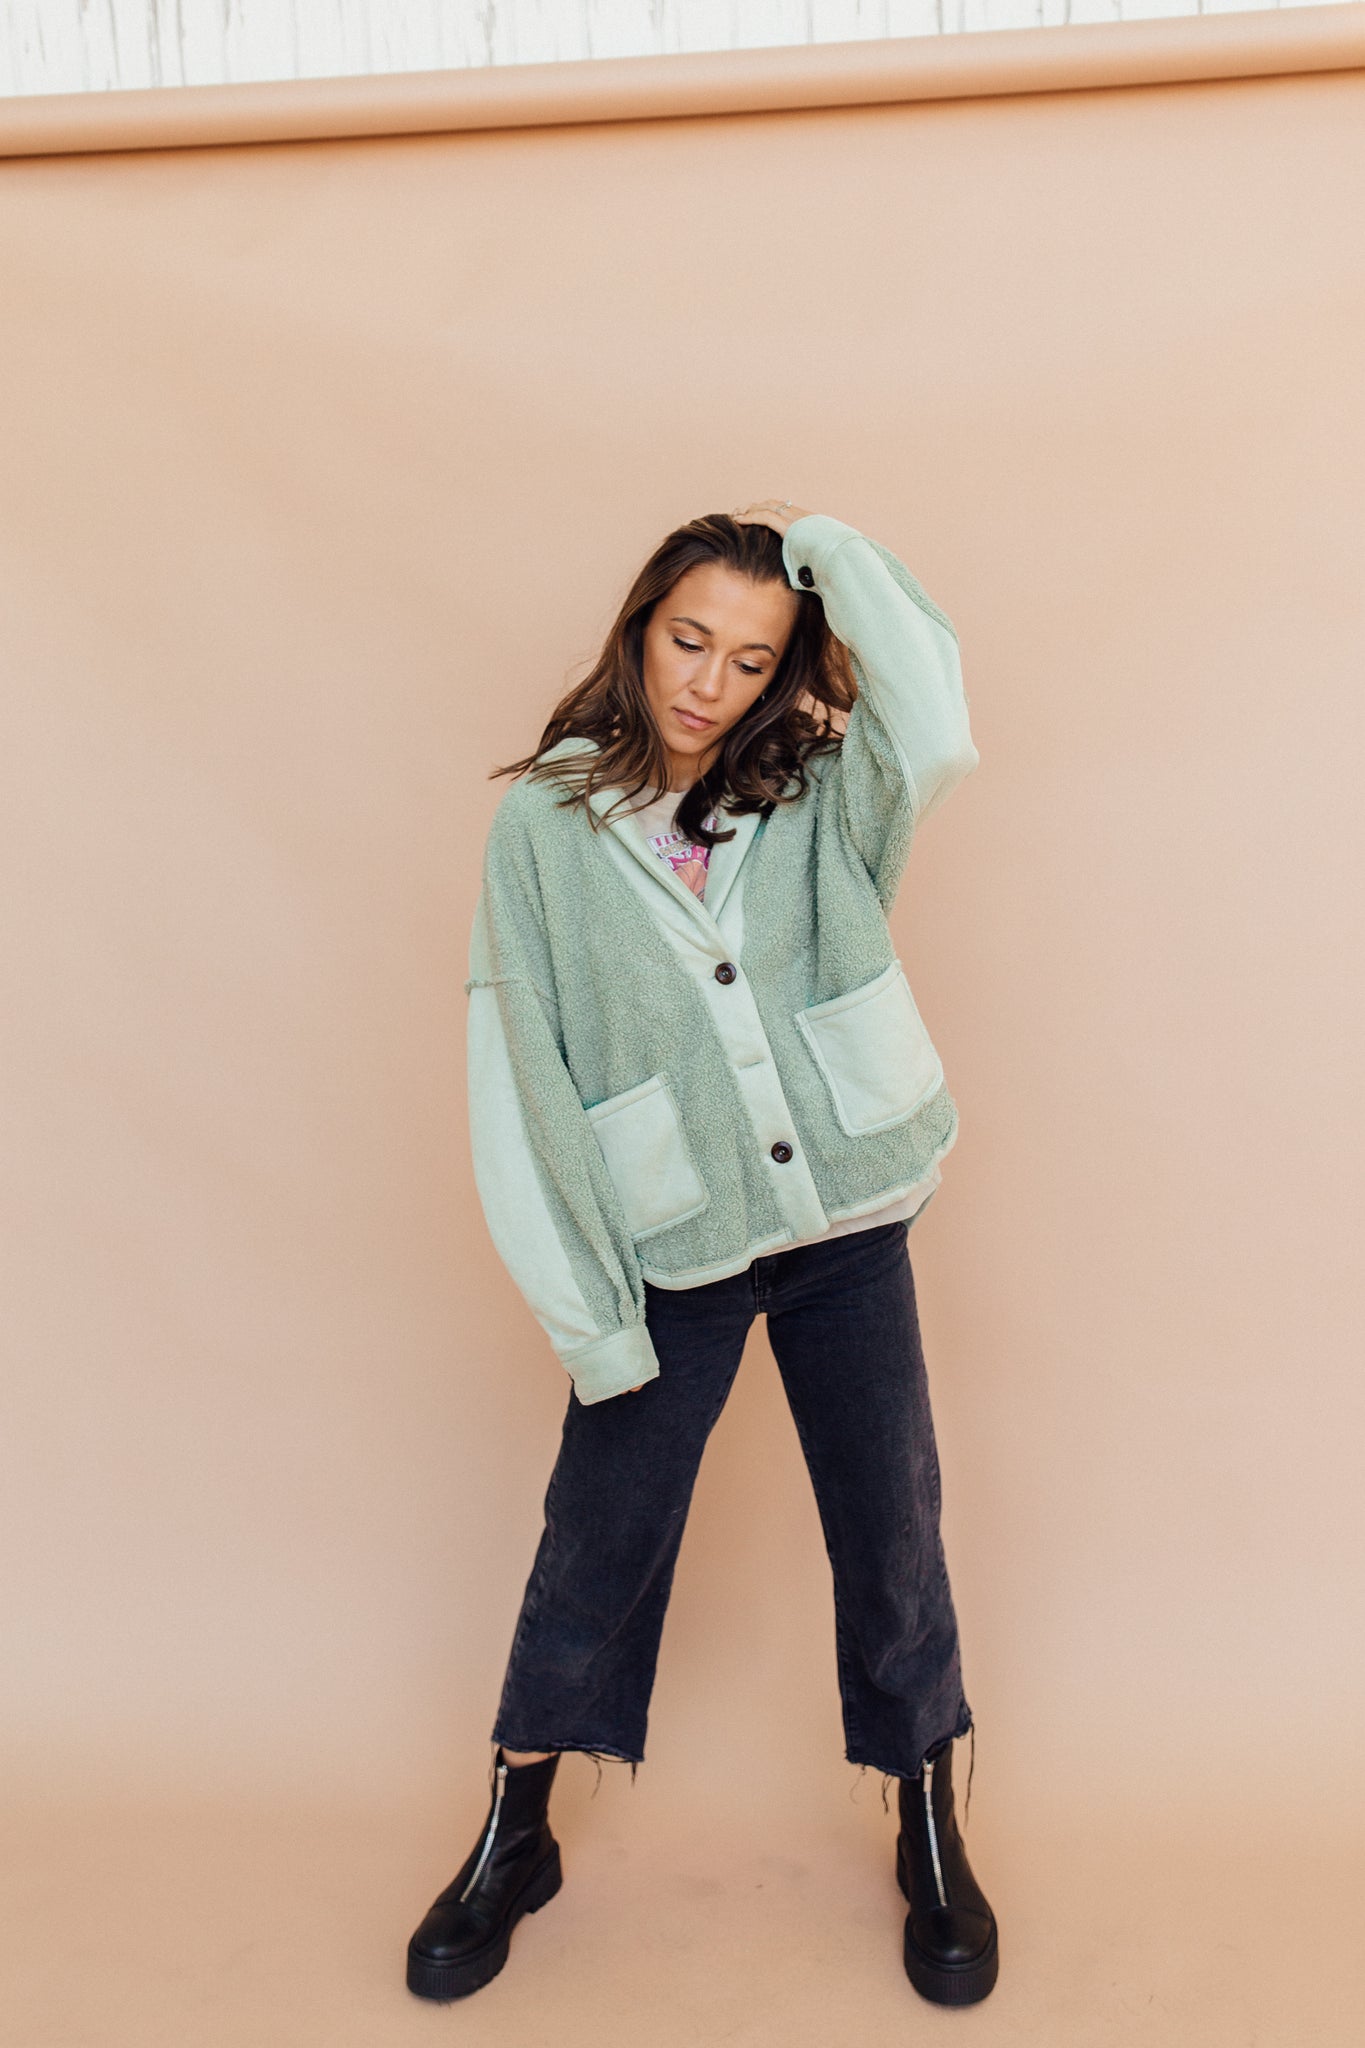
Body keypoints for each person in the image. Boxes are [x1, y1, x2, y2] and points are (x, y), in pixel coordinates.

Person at [406, 498, 997, 2007]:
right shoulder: (542, 828)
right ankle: (517, 1829)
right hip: (674, 1243)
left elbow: (935, 728)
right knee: (597, 1532)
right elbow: (521, 1075)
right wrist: (591, 1315)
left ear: (784, 666)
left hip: (847, 1219)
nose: (708, 684)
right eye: (687, 640)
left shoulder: (821, 789)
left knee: (892, 1525)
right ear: (637, 628)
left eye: (750, 659)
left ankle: (928, 1816)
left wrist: (829, 554)